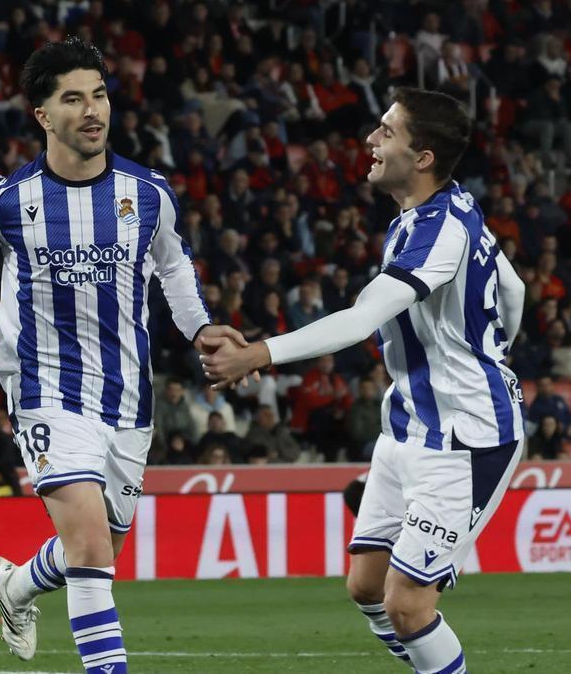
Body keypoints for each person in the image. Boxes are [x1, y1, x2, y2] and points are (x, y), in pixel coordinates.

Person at [0, 38, 242, 673]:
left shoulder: (148, 194)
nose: (92, 109)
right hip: (46, 387)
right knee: (93, 546)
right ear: (43, 115)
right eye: (73, 98)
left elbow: (174, 269)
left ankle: (16, 588)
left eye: (99, 94)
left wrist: (202, 329)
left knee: (102, 545)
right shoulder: (9, 200)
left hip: (128, 393)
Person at [202, 88, 526, 673]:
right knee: (366, 586)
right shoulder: (451, 208)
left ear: (422, 157)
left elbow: (358, 320)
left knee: (408, 606)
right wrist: (496, 350)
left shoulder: (437, 233)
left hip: (466, 438)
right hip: (406, 429)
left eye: (386, 132)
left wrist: (258, 354)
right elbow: (514, 289)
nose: (371, 141)